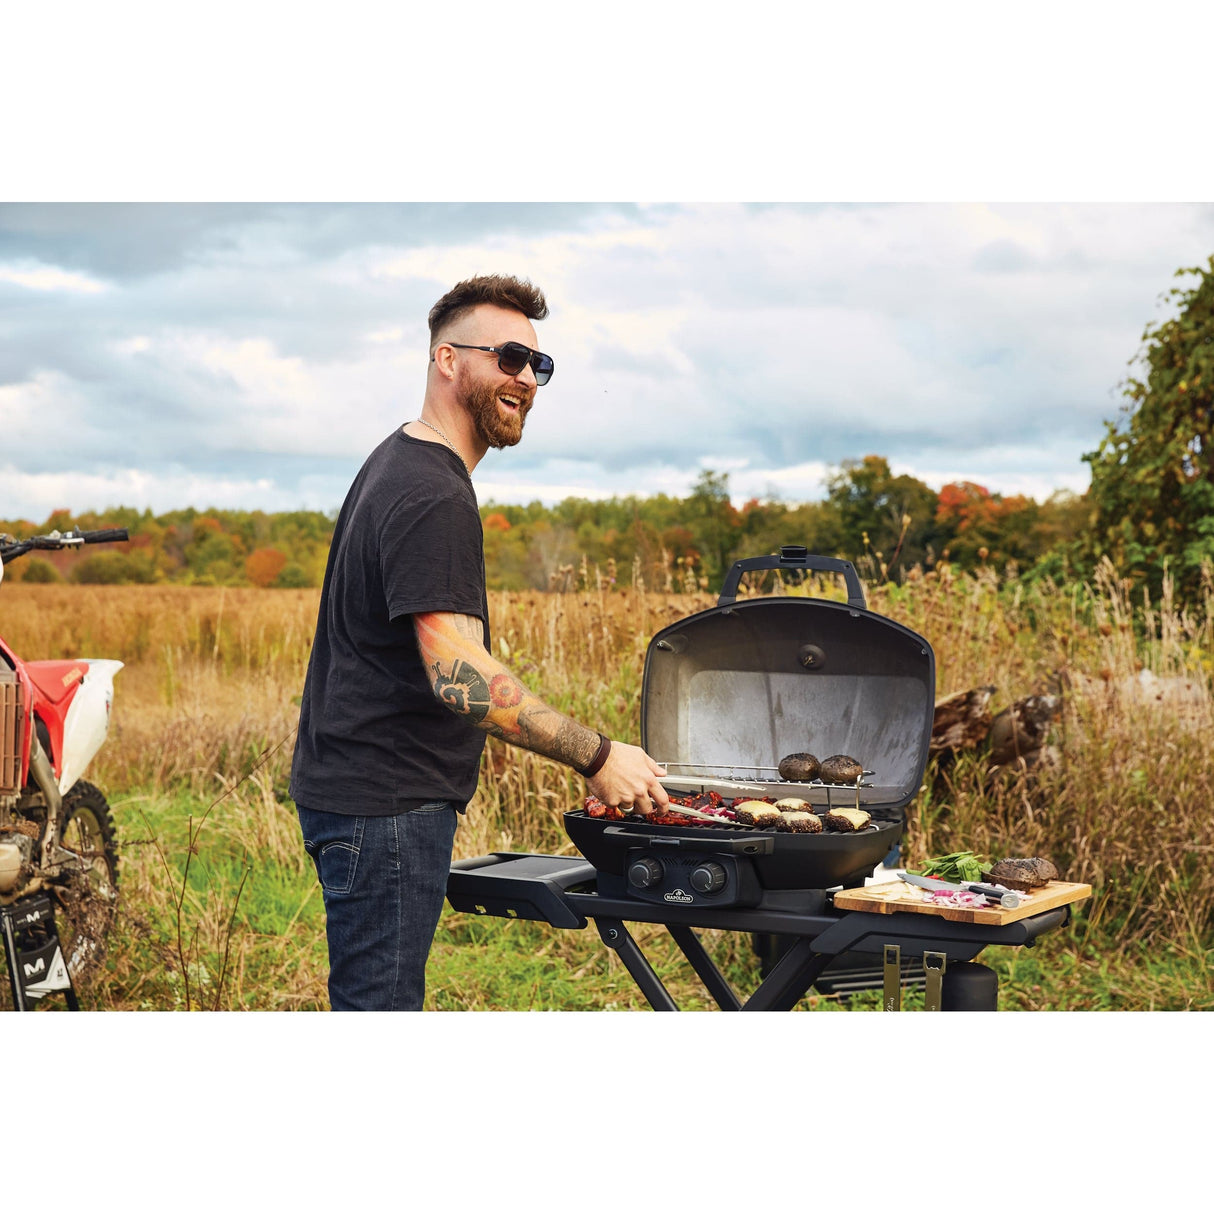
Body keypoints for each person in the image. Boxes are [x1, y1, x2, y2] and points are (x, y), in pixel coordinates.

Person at [289, 273, 670, 1011]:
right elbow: (458, 675)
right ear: (447, 360)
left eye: (538, 365)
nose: (525, 379)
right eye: (507, 357)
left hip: (367, 801)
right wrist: (598, 756)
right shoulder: (431, 489)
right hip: (385, 808)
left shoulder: (400, 459)